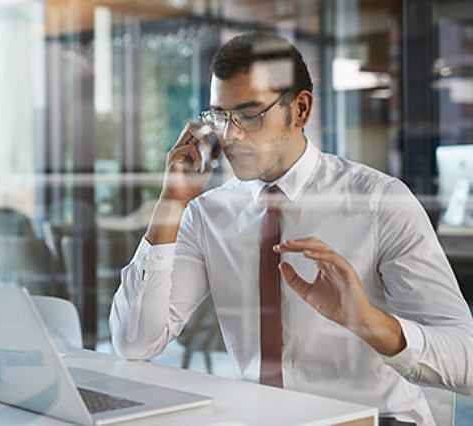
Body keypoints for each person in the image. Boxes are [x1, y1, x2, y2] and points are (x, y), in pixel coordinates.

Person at [109, 32, 473, 425]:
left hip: (374, 419)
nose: (231, 136)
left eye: (248, 115)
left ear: (300, 110)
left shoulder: (381, 202)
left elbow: (465, 360)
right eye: (220, 117)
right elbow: (135, 343)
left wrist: (368, 321)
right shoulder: (207, 213)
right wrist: (171, 204)